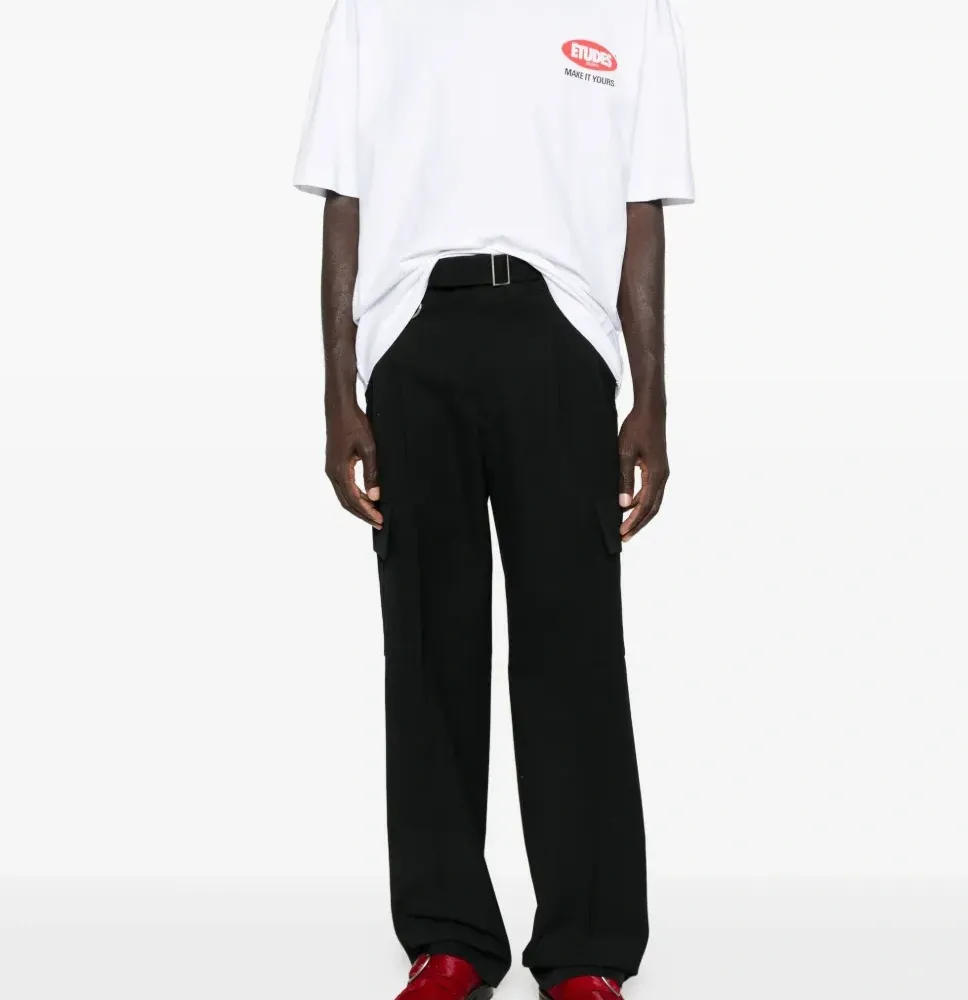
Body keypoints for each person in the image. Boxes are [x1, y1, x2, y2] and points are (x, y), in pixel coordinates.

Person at [293, 0, 694, 996]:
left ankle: (588, 951)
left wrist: (650, 396)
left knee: (574, 644)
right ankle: (450, 938)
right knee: (429, 643)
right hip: (412, 334)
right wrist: (339, 392)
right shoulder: (372, 11)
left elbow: (640, 210)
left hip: (564, 338)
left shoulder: (633, 13)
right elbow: (343, 200)